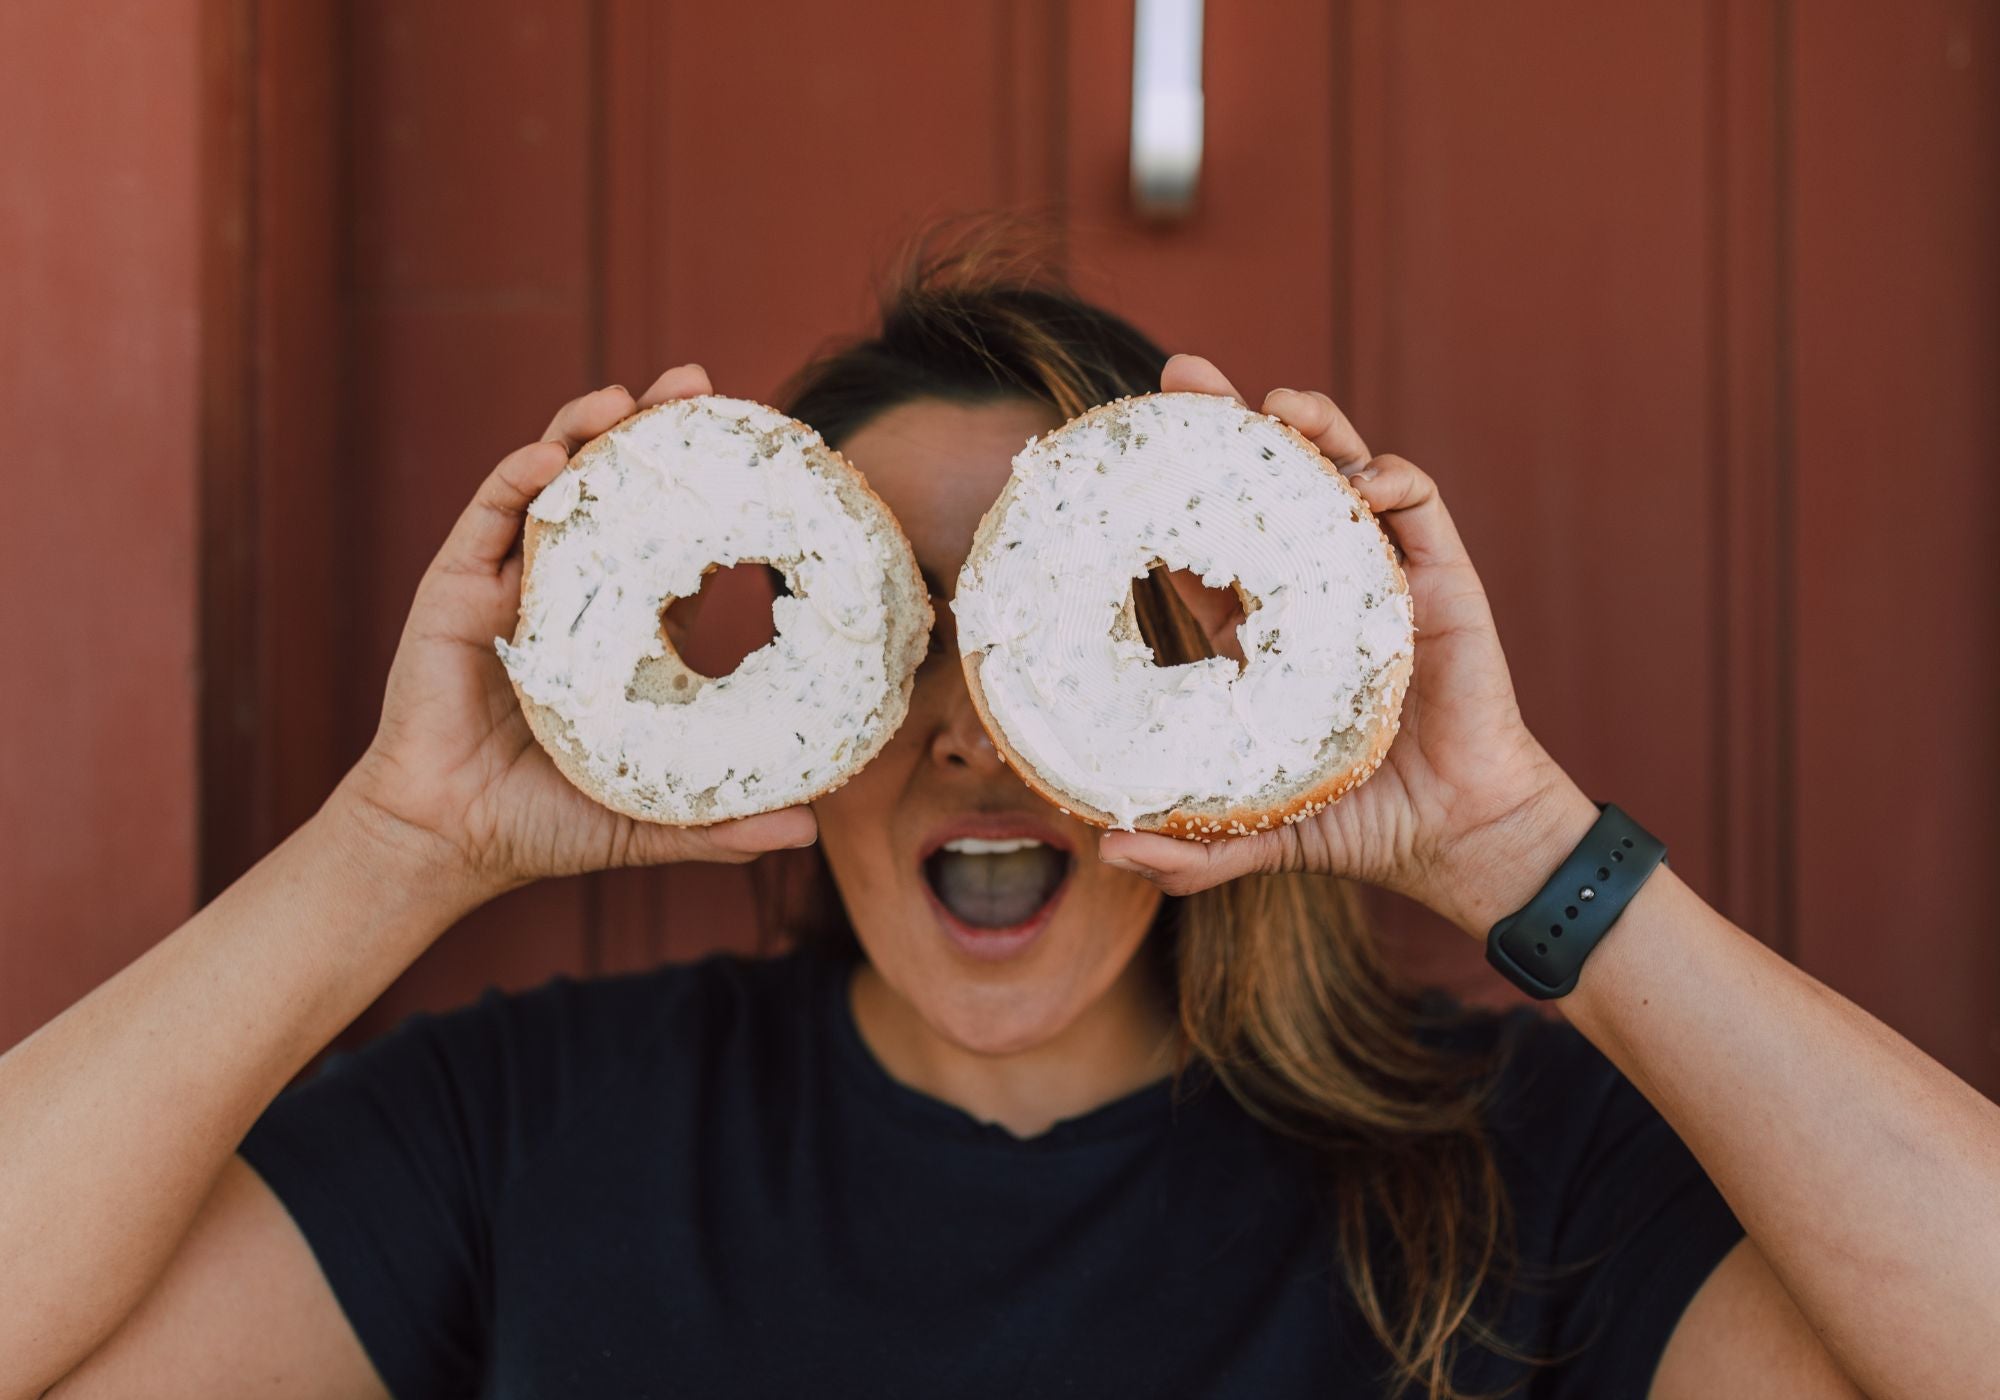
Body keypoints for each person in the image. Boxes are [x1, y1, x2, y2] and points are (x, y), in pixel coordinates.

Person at [4, 245, 1997, 1400]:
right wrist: (397, 840)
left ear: (1204, 673)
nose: (969, 732)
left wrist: (1512, 841)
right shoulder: (538, 1136)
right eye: (883, 630)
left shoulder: (1503, 1175)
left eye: (1064, 633)